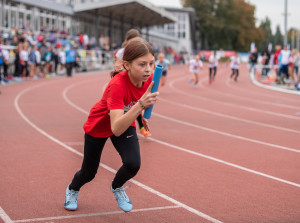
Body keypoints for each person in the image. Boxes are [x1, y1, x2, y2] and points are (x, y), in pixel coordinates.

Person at [64, 38, 158, 212]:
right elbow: (116, 127)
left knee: (133, 163)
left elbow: (138, 100)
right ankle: (72, 189)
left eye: (151, 63)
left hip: (124, 119)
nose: (148, 69)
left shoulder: (150, 78)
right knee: (89, 173)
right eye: (142, 64)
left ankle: (117, 186)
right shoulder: (117, 85)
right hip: (101, 124)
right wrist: (140, 107)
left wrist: (141, 115)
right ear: (127, 65)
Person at [114, 29, 151, 138]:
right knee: (126, 107)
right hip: (124, 81)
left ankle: (141, 128)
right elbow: (117, 66)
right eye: (132, 41)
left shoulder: (140, 52)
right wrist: (126, 69)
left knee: (137, 105)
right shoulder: (122, 52)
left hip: (135, 81)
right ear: (127, 41)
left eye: (137, 41)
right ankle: (118, 124)